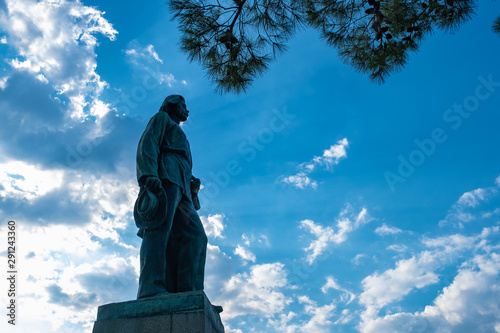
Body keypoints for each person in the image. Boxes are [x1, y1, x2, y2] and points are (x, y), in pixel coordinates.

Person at [134, 94, 207, 299]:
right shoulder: (161, 119)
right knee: (159, 230)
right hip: (166, 176)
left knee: (196, 236)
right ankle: (151, 287)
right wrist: (149, 174)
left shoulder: (180, 132)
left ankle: (189, 292)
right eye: (184, 105)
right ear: (172, 105)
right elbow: (148, 143)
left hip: (183, 185)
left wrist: (192, 183)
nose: (187, 110)